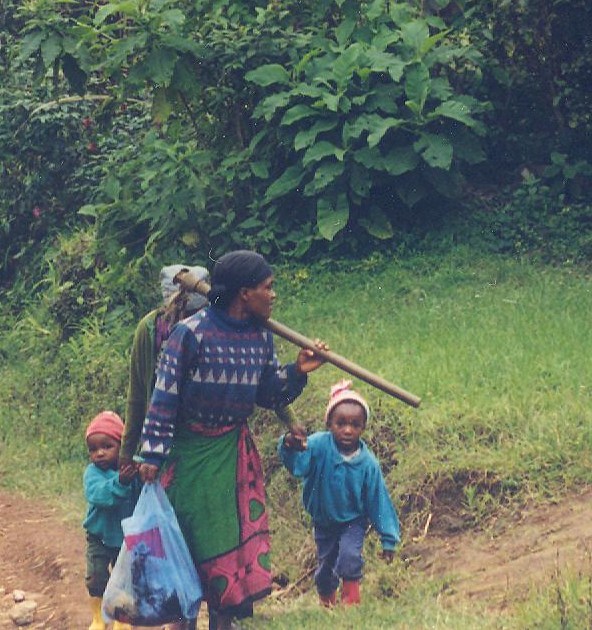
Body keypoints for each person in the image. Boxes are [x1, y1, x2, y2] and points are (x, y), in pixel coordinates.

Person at [132, 250, 324, 625]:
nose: (273, 295)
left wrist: (298, 371)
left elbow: (268, 394)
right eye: (267, 287)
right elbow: (164, 397)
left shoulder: (260, 336)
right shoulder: (190, 334)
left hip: (232, 457)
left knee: (229, 554)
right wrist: (151, 455)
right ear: (244, 293)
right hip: (189, 460)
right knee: (185, 553)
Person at [280, 382, 401, 608]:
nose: (347, 430)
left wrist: (388, 538)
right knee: (325, 570)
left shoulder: (368, 464)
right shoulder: (318, 445)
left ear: (363, 427)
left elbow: (379, 501)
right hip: (324, 522)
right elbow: (298, 466)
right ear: (329, 423)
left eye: (355, 425)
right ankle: (327, 605)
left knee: (349, 558)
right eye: (341, 423)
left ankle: (351, 605)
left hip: (353, 521)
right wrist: (288, 445)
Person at [127, 264, 208, 453]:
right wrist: (127, 450)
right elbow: (137, 393)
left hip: (205, 433)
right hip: (163, 431)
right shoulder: (151, 328)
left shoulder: (213, 326)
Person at [81, 410, 141, 630]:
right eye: (93, 449)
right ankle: (98, 618)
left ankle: (121, 621)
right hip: (99, 536)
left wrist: (142, 473)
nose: (99, 453)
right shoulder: (92, 473)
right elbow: (100, 496)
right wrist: (121, 482)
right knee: (96, 577)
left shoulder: (132, 468)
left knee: (124, 581)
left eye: (107, 446)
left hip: (125, 539)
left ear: (122, 446)